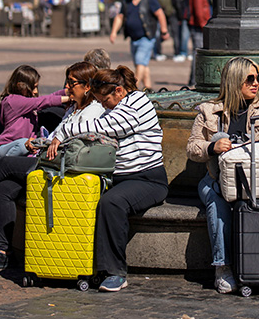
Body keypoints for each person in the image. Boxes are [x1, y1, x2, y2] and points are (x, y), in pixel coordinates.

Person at [0, 62, 105, 272]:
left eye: (71, 83)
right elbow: (55, 128)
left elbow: (77, 137)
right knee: (4, 187)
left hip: (63, 166)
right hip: (50, 160)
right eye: (67, 82)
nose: (67, 87)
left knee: (5, 164)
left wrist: (52, 140)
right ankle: (2, 253)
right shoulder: (74, 109)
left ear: (87, 87)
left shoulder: (93, 110)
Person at [48, 66, 169, 292]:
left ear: (120, 91)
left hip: (147, 179)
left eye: (104, 99)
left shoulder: (138, 103)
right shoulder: (114, 107)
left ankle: (115, 272)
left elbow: (103, 127)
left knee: (111, 203)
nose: (102, 105)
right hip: (119, 178)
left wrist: (63, 133)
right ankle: (77, 263)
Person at [186, 57, 259, 294]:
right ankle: (223, 268)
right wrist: (213, 148)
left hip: (255, 177)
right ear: (234, 81)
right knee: (216, 199)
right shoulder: (209, 110)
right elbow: (192, 148)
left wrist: (237, 147)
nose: (256, 84)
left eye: (258, 78)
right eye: (249, 79)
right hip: (217, 177)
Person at [0, 65, 71, 163]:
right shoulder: (12, 101)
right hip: (6, 150)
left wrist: (68, 92)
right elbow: (43, 101)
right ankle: (5, 164)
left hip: (23, 149)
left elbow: (51, 96)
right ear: (20, 85)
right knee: (24, 143)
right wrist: (69, 99)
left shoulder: (27, 102)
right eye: (33, 87)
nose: (36, 91)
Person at [109, 0, 169, 90]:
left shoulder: (149, 0)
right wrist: (113, 32)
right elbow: (120, 17)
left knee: (140, 61)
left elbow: (160, 14)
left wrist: (164, 30)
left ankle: (132, 88)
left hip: (147, 37)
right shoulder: (126, 2)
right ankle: (148, 88)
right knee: (141, 64)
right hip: (133, 38)